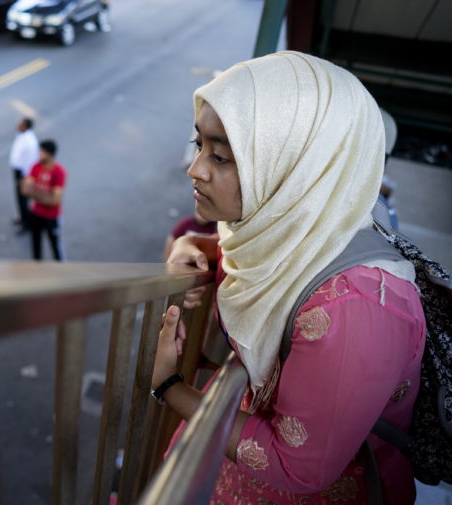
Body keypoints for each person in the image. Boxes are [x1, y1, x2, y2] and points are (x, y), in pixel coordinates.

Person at [153, 51, 425, 505]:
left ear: (296, 171)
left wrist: (169, 387)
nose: (195, 168)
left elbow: (299, 468)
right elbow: (284, 266)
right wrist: (198, 249)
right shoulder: (309, 228)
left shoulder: (356, 309)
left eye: (220, 155)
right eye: (199, 144)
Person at [22, 140, 66, 261]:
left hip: (52, 217)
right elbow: (25, 190)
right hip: (36, 214)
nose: (39, 154)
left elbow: (55, 200)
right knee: (36, 247)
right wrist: (46, 196)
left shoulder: (59, 172)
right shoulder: (35, 167)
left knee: (56, 247)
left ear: (49, 154)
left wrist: (35, 194)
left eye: (42, 152)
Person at [9, 117, 39, 232]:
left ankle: (27, 222)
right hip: (18, 170)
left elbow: (30, 161)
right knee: (19, 197)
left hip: (23, 173)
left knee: (23, 197)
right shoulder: (22, 135)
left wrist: (25, 177)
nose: (17, 125)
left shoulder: (30, 141)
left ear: (25, 126)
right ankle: (22, 216)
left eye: (20, 124)